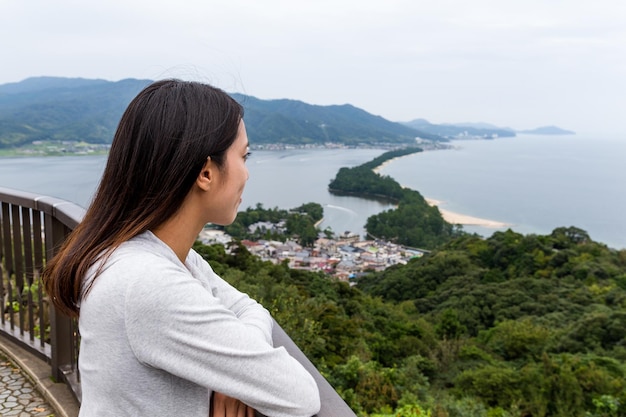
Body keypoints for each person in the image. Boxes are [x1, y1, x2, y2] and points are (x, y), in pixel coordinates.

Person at [43, 79, 321, 417]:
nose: (247, 174)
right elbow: (300, 395)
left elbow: (253, 310)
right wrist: (237, 370)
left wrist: (231, 371)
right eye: (243, 156)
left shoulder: (164, 258)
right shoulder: (149, 283)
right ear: (205, 172)